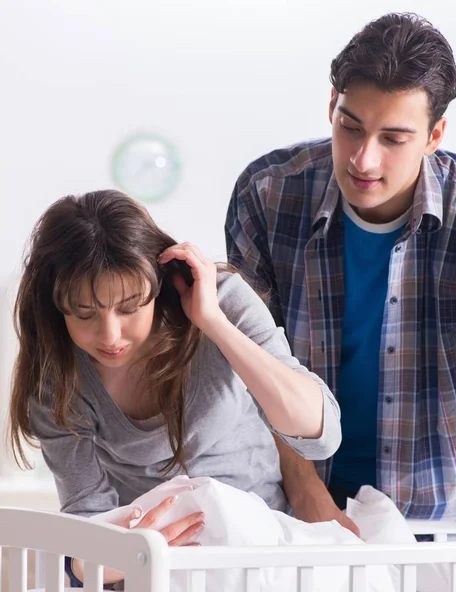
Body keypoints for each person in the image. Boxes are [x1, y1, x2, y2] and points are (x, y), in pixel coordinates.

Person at [225, 11, 456, 591]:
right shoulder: (268, 196)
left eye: (394, 138)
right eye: (350, 126)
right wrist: (307, 496)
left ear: (435, 135)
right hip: (309, 523)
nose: (363, 159)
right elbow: (253, 370)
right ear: (331, 106)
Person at [9, 189, 341, 587]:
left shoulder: (222, 301)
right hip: (151, 562)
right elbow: (87, 516)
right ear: (56, 304)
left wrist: (213, 322)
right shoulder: (57, 380)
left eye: (130, 307)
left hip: (260, 546)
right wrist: (102, 564)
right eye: (84, 314)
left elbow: (320, 436)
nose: (110, 335)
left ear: (158, 282)